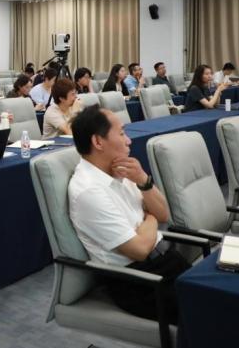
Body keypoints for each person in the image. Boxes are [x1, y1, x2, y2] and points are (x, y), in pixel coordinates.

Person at [68, 106, 183, 324]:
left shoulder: (121, 169)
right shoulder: (88, 191)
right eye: (121, 133)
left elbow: (163, 214)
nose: (129, 141)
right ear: (98, 142)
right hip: (140, 282)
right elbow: (139, 250)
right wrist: (150, 217)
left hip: (166, 261)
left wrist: (143, 180)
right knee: (216, 311)